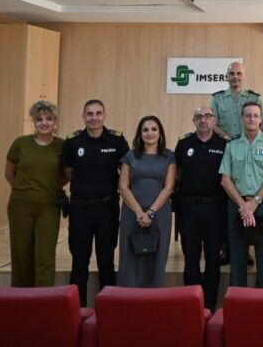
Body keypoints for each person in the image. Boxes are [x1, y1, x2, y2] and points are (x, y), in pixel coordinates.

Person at [61, 99, 129, 306]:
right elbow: (68, 171)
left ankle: (108, 309)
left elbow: (125, 173)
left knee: (106, 261)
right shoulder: (73, 142)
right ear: (83, 117)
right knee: (79, 263)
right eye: (89, 114)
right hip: (80, 209)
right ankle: (76, 309)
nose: (94, 118)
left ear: (104, 115)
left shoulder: (117, 141)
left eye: (98, 113)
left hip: (106, 209)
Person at [5, 100, 68, 287]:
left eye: (49, 118)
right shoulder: (20, 143)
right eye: (39, 119)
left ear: (55, 121)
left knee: (45, 256)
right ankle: (21, 299)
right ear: (34, 121)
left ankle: (44, 299)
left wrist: (48, 187)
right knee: (21, 255)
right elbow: (9, 174)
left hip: (49, 207)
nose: (44, 122)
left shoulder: (62, 146)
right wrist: (25, 190)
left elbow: (67, 175)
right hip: (20, 206)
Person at [211, 61, 263, 265]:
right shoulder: (217, 99)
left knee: (250, 195)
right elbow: (212, 123)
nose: (235, 77)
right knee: (228, 199)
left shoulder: (254, 98)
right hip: (227, 150)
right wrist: (230, 140)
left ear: (244, 76)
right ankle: (228, 248)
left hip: (251, 151)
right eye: (232, 74)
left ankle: (250, 248)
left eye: (239, 74)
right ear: (227, 76)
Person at [219, 102, 263, 288]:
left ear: (261, 119)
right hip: (237, 206)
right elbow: (225, 179)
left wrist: (255, 202)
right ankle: (238, 304)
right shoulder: (232, 144)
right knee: (237, 258)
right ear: (242, 118)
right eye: (248, 115)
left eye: (255, 115)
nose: (252, 119)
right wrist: (243, 205)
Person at [174, 106, 227, 308]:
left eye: (207, 116)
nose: (203, 120)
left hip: (214, 209)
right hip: (188, 209)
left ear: (214, 121)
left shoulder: (223, 145)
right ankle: (192, 305)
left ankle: (210, 306)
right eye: (198, 117)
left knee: (213, 259)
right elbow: (177, 173)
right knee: (191, 259)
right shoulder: (184, 143)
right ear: (193, 120)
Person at [117, 116, 176, 288]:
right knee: (130, 257)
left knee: (156, 256)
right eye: (145, 130)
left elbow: (169, 187)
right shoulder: (130, 156)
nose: (150, 133)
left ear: (160, 133)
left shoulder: (169, 156)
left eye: (154, 129)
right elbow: (123, 187)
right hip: (132, 212)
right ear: (139, 134)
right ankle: (129, 299)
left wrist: (150, 212)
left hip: (159, 213)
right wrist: (139, 212)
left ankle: (153, 299)